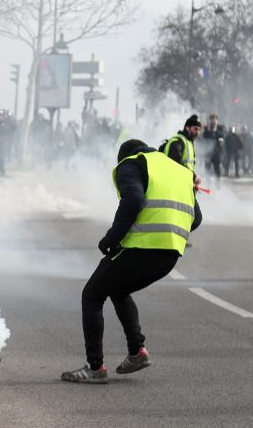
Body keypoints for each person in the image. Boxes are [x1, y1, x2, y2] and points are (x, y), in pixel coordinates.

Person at [60, 139, 201, 383]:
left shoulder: (132, 163)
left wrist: (111, 239)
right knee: (118, 288)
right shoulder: (179, 171)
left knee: (92, 294)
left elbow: (133, 200)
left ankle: (94, 368)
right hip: (171, 254)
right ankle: (137, 351)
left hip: (142, 247)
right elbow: (196, 219)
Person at [162, 114, 202, 186]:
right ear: (187, 128)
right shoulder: (178, 141)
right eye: (195, 129)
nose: (198, 132)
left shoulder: (188, 142)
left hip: (182, 184)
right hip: (173, 184)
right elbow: (175, 163)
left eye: (199, 130)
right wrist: (194, 177)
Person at [200, 113, 225, 185]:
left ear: (217, 120)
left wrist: (221, 153)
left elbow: (222, 142)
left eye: (215, 119)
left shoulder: (220, 130)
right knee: (207, 169)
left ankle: (217, 184)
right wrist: (207, 131)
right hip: (208, 153)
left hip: (217, 153)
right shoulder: (206, 129)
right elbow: (203, 139)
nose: (213, 121)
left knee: (217, 170)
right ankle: (208, 184)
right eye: (212, 119)